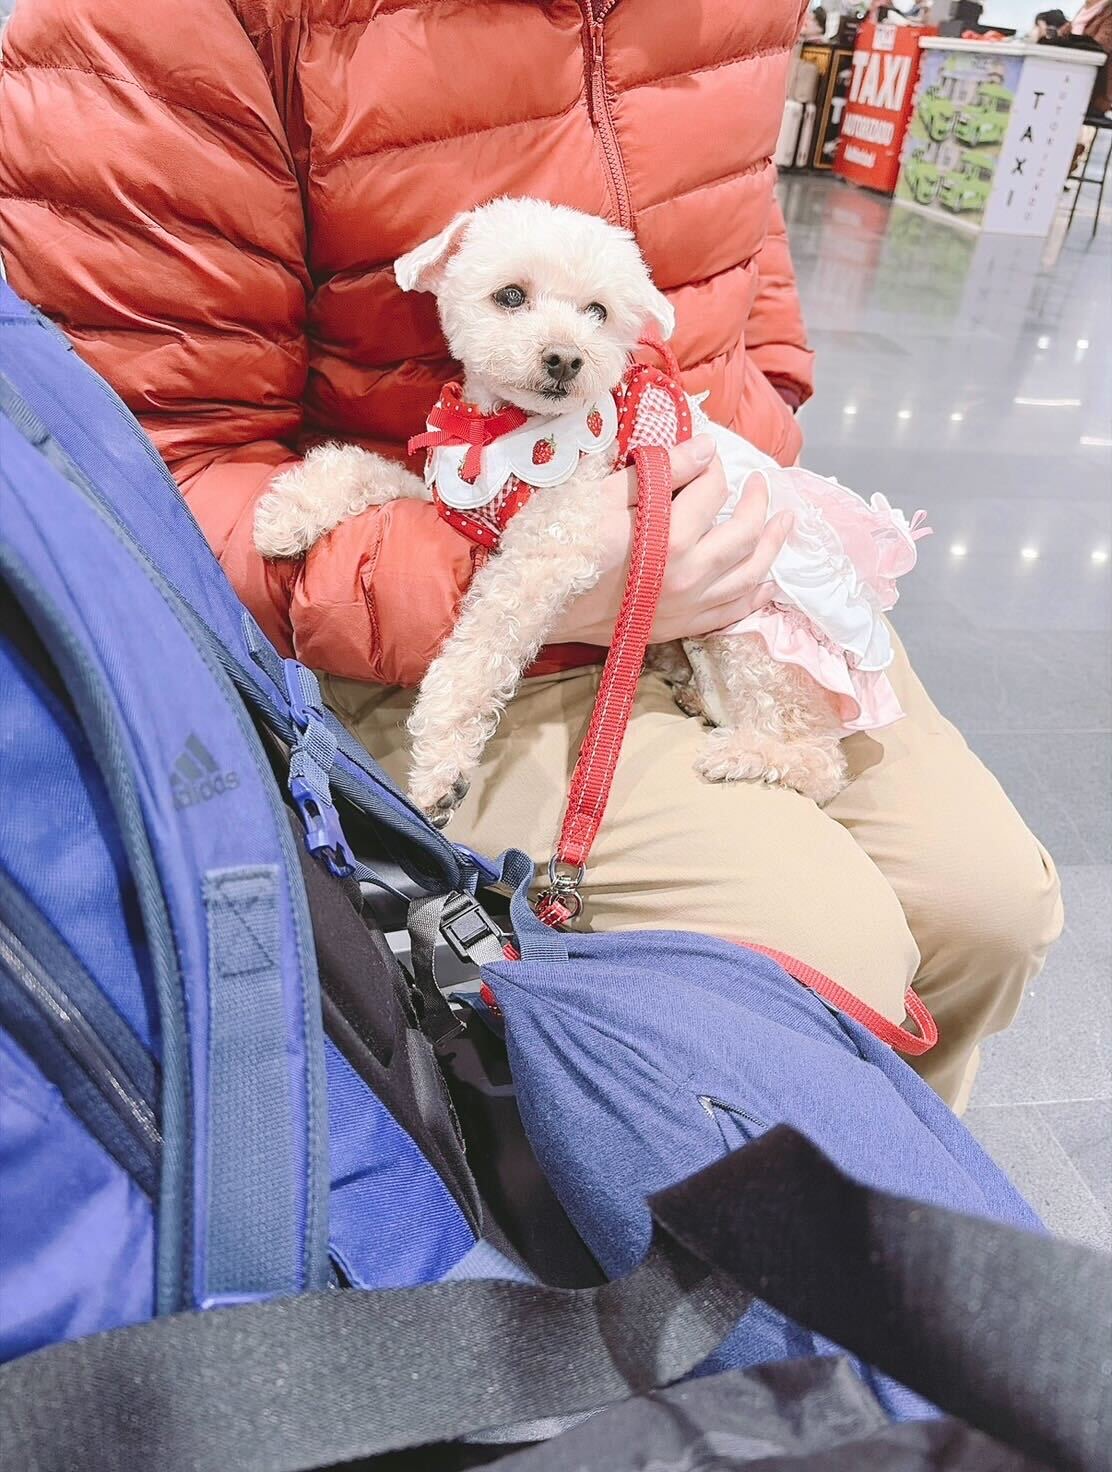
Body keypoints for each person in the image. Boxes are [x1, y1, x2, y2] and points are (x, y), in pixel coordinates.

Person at [0, 0, 1061, 1111]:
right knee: (825, 963)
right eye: (509, 298)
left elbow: (740, 244)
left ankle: (886, 1186)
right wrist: (532, 586)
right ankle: (734, 1191)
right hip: (416, 617)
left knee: (988, 911)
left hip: (738, 565)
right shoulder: (177, 24)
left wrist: (757, 411)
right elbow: (145, 476)